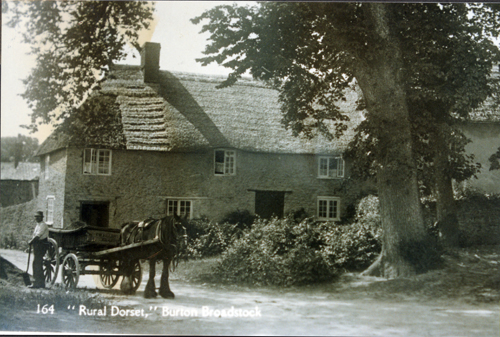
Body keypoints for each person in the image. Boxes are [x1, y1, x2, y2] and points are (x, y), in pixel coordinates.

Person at [28, 211, 49, 288]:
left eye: (38, 216)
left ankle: (36, 283)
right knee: (37, 263)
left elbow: (37, 236)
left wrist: (31, 241)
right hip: (37, 246)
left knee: (37, 263)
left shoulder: (43, 225)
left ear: (42, 217)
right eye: (35, 216)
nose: (36, 218)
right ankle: (40, 283)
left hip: (41, 246)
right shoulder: (37, 225)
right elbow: (34, 235)